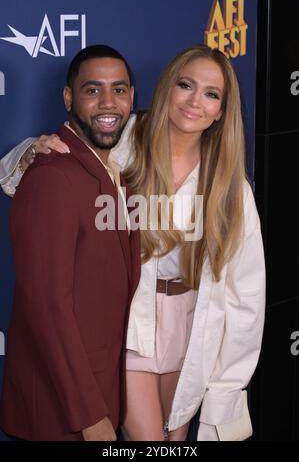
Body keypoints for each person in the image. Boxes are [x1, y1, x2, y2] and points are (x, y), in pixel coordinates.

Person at [0, 45, 265, 441]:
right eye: (186, 85)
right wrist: (29, 152)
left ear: (222, 111)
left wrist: (228, 384)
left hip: (192, 330)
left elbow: (247, 294)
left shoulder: (230, 185)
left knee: (175, 442)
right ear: (165, 89)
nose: (195, 102)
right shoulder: (124, 142)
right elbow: (26, 176)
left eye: (212, 94)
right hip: (130, 327)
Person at [0, 45, 140, 441]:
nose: (108, 103)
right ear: (68, 98)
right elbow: (47, 309)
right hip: (61, 413)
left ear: (132, 96)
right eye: (93, 90)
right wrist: (91, 417)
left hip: (99, 397)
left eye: (120, 89)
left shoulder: (114, 172)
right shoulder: (52, 177)